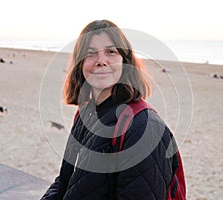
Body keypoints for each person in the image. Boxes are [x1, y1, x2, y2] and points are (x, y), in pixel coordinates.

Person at [41, 19, 182, 200]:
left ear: (125, 61)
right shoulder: (86, 114)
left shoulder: (144, 128)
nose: (101, 61)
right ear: (80, 64)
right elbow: (66, 179)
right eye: (90, 53)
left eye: (111, 52)